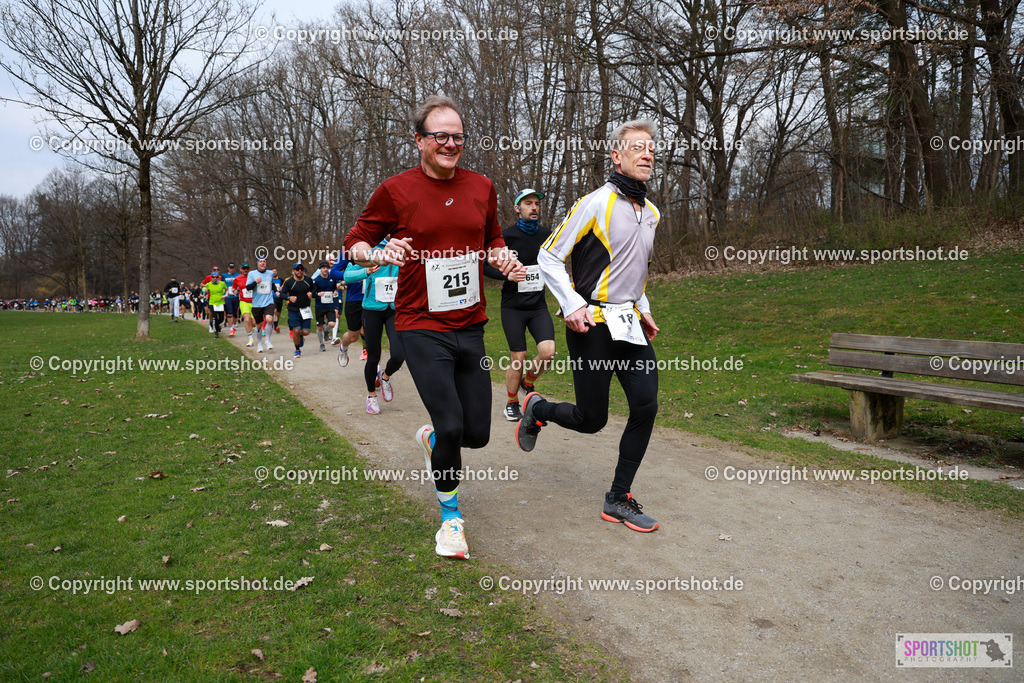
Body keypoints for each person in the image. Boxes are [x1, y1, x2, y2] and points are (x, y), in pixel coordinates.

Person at [344, 95, 523, 559]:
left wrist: (500, 255)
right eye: (440, 135)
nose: (450, 143)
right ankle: (451, 519)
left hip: (471, 325)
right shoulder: (396, 190)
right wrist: (379, 253)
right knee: (450, 421)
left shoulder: (482, 186)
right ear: (419, 140)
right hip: (420, 324)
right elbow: (355, 242)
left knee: (477, 434)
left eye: (457, 135)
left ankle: (432, 442)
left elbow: (492, 237)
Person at [516, 120, 662, 533]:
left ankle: (618, 498)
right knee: (592, 418)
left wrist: (643, 305)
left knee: (646, 405)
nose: (647, 155)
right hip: (591, 326)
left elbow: (634, 267)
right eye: (637, 148)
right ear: (617, 156)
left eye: (651, 148)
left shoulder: (651, 212)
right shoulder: (594, 203)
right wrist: (573, 304)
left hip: (629, 324)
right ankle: (537, 409)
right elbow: (548, 256)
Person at [482, 188, 556, 421]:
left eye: (536, 203)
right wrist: (507, 276)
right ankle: (512, 402)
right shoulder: (506, 237)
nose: (534, 207)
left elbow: (556, 263)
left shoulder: (547, 234)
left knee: (548, 353)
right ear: (517, 208)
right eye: (528, 203)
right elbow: (484, 266)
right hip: (513, 306)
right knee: (519, 357)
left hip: (538, 306)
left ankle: (528, 382)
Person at [344, 240, 405, 414]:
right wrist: (366, 271)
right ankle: (371, 396)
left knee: (400, 354)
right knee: (373, 356)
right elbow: (347, 276)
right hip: (371, 310)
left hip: (394, 309)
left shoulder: (401, 248)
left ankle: (385, 377)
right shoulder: (368, 249)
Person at [329, 254, 366, 366]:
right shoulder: (349, 250)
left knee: (370, 333)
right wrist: (353, 276)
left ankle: (376, 372)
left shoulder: (377, 247)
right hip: (354, 300)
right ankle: (343, 347)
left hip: (372, 299)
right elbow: (333, 272)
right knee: (353, 336)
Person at [280, 262, 314, 358]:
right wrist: (289, 298)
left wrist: (312, 293)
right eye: (297, 269)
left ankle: (300, 337)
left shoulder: (308, 280)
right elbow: (282, 294)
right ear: (293, 271)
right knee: (296, 330)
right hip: (293, 310)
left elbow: (314, 290)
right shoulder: (289, 282)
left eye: (301, 269)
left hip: (306, 309)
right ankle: (297, 350)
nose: (299, 271)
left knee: (306, 332)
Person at [245, 257, 276, 353]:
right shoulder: (252, 274)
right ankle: (259, 343)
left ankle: (267, 339)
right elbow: (248, 287)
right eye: (260, 261)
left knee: (270, 319)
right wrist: (255, 282)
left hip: (268, 301)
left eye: (264, 261)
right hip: (257, 304)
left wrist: (277, 291)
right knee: (258, 325)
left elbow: (272, 284)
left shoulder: (270, 273)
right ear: (257, 264)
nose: (263, 263)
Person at [311, 260, 343, 352]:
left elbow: (334, 291)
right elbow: (312, 293)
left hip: (330, 305)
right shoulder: (316, 280)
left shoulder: (332, 279)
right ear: (320, 269)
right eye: (323, 268)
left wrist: (335, 292)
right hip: (319, 306)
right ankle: (321, 344)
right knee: (319, 326)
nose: (325, 269)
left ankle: (326, 330)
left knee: (332, 324)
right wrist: (317, 294)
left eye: (326, 268)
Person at [233, 263, 255, 346]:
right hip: (243, 301)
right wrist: (235, 290)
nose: (245, 270)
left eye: (247, 268)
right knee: (247, 319)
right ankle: (250, 339)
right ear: (241, 269)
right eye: (244, 268)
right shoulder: (237, 278)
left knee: (254, 323)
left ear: (249, 269)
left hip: (254, 302)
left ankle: (251, 330)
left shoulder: (253, 277)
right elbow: (234, 287)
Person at [202, 271, 229, 338]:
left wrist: (226, 295)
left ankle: (217, 325)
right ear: (211, 278)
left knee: (221, 318)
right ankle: (216, 333)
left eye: (216, 277)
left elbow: (227, 289)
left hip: (221, 302)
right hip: (212, 303)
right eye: (213, 277)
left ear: (218, 277)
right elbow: (206, 291)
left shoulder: (221, 284)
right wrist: (205, 291)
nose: (215, 278)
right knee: (215, 317)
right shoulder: (209, 284)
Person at [223, 262, 240, 336]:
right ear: (228, 268)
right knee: (229, 312)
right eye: (230, 268)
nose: (231, 269)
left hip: (236, 296)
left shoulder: (238, 275)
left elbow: (240, 284)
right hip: (228, 296)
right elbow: (222, 284)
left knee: (235, 313)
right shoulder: (224, 275)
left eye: (233, 268)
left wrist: (237, 289)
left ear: (234, 268)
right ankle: (231, 329)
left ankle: (233, 325)